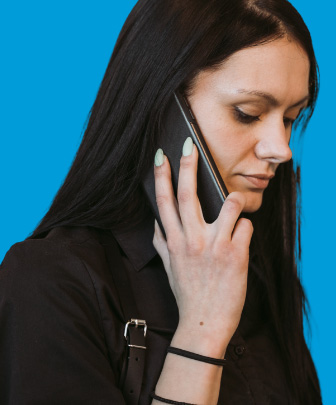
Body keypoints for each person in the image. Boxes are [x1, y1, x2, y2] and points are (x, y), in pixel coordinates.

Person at [0, 0, 322, 404]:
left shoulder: (256, 276)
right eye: (248, 113)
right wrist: (202, 330)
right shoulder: (50, 283)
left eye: (290, 118)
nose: (282, 148)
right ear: (164, 110)